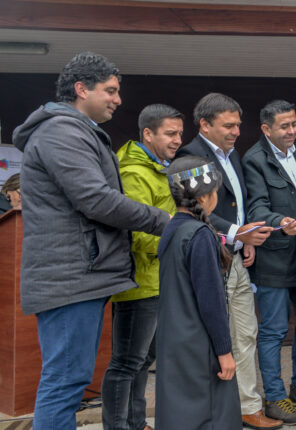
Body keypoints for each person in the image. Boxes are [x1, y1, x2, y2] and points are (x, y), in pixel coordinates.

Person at [11, 52, 170, 429]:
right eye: (110, 91)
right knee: (65, 382)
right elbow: (96, 199)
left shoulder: (74, 131)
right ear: (82, 89)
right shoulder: (61, 132)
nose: (118, 99)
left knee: (70, 379)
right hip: (69, 279)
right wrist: (165, 221)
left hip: (79, 276)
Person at [176, 93, 280, 429]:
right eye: (228, 125)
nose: (236, 131)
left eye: (238, 124)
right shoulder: (190, 156)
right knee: (217, 339)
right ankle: (218, 411)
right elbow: (195, 209)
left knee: (246, 334)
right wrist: (237, 233)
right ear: (205, 124)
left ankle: (248, 406)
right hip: (209, 258)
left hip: (235, 257)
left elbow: (239, 204)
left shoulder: (233, 154)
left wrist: (245, 241)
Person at [101, 104, 183, 430]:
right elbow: (135, 233)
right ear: (148, 133)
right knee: (126, 363)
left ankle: (136, 423)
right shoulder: (134, 172)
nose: (177, 140)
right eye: (170, 133)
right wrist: (180, 241)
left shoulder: (160, 168)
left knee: (142, 360)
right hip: (138, 283)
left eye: (179, 133)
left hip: (158, 279)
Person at [243, 99, 296, 425]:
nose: (292, 131)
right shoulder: (255, 160)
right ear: (266, 129)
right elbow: (256, 208)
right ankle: (274, 397)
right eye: (284, 126)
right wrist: (280, 222)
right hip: (272, 256)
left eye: (294, 124)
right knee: (273, 330)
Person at [155, 156, 240, 429]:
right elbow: (211, 300)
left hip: (175, 339)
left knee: (179, 414)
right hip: (199, 342)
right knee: (211, 415)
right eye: (215, 191)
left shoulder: (173, 228)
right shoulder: (199, 234)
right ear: (204, 196)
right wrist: (224, 351)